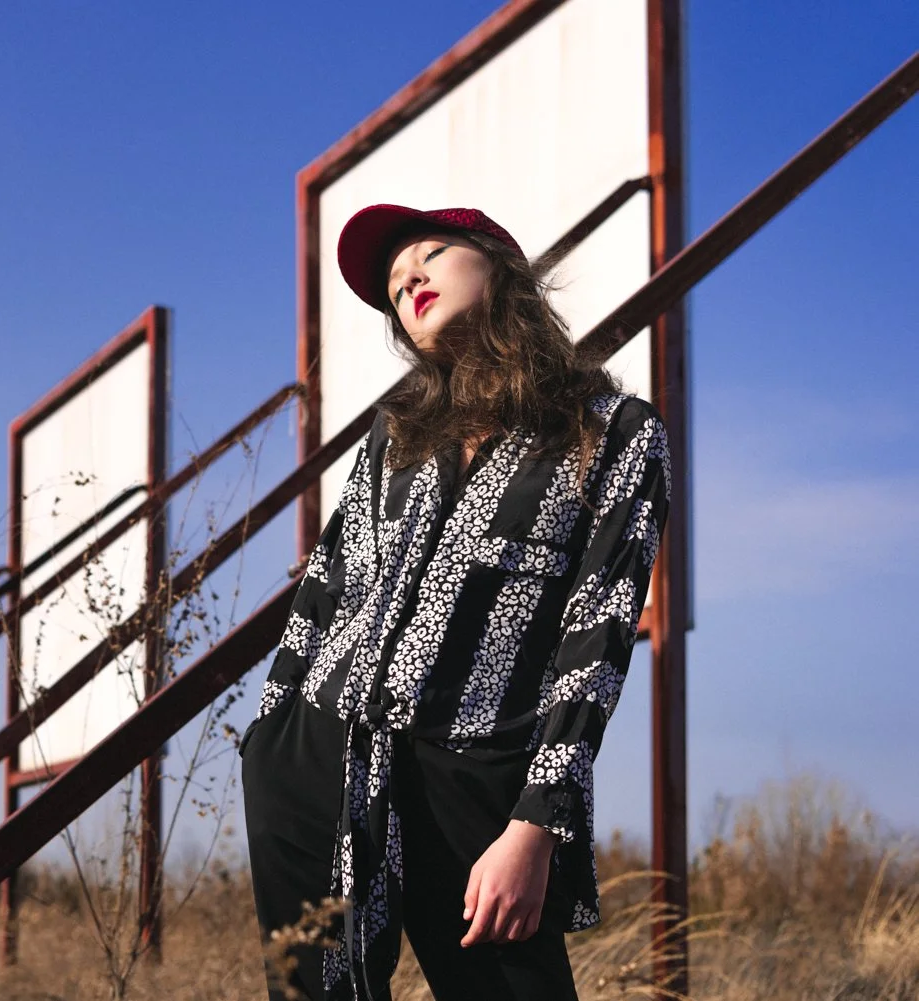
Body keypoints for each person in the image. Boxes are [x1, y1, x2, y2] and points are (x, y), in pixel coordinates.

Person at [240, 205, 671, 1001]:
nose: (410, 282)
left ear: (499, 265)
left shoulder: (611, 432)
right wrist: (267, 737)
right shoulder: (397, 433)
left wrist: (537, 822)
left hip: (477, 774)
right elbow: (326, 587)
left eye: (430, 255)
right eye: (396, 287)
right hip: (320, 754)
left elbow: (598, 638)